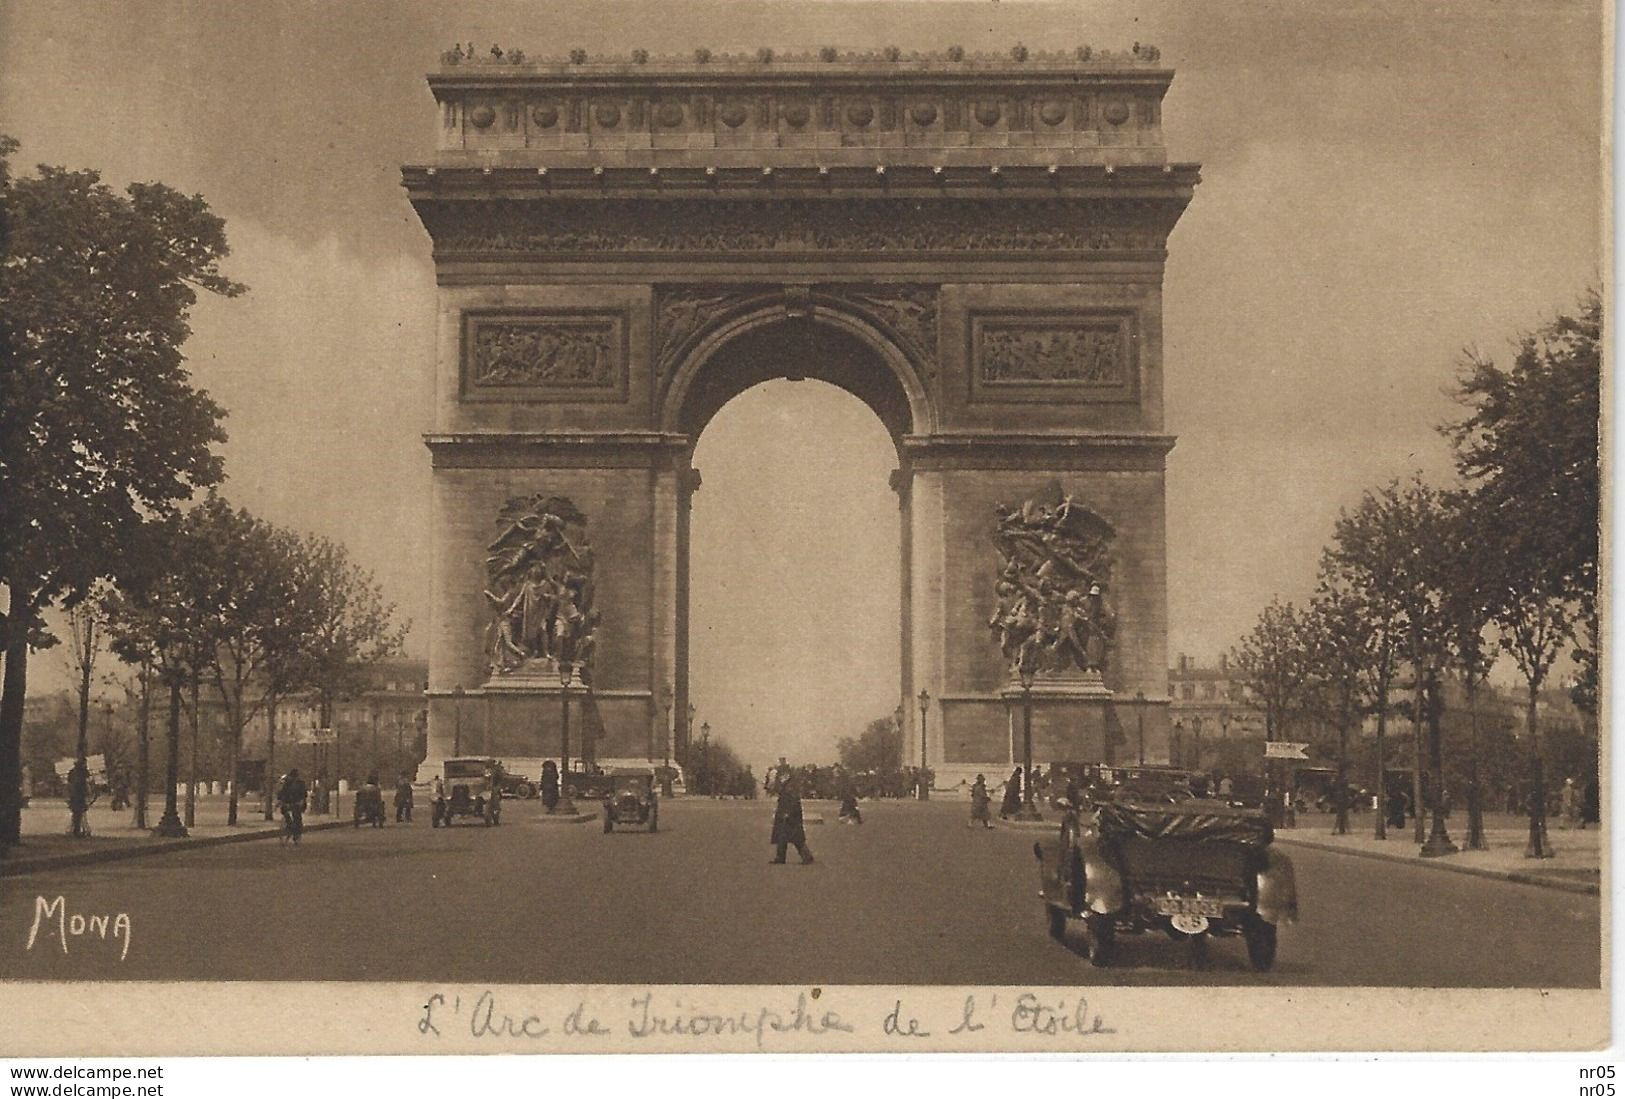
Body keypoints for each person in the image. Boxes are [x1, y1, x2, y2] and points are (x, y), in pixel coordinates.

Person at [769, 765, 815, 864]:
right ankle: (780, 857)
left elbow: (793, 800)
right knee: (784, 836)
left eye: (780, 775)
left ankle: (806, 857)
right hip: (785, 813)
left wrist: (788, 813)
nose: (779, 777)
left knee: (795, 837)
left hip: (790, 815)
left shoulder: (790, 785)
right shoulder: (787, 784)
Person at [277, 768, 308, 843]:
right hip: (288, 802)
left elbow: (303, 794)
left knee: (296, 815)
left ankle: (297, 833)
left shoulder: (300, 784)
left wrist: (301, 801)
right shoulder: (287, 783)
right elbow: (282, 792)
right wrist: (280, 800)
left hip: (297, 802)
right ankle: (289, 825)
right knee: (285, 811)